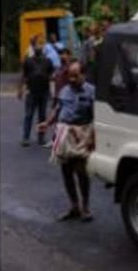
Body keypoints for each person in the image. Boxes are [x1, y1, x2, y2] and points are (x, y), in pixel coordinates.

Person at [39, 61, 96, 222]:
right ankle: (74, 206)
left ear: (83, 75)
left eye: (75, 76)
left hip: (81, 132)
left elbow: (97, 116)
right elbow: (57, 109)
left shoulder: (92, 91)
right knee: (66, 171)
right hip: (63, 132)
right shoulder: (64, 90)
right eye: (70, 76)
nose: (71, 79)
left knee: (81, 171)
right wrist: (47, 123)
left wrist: (93, 137)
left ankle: (85, 207)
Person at [18, 36, 54, 147]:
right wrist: (20, 89)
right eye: (37, 45)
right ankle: (25, 137)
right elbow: (23, 76)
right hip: (31, 92)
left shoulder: (48, 61)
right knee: (29, 115)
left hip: (44, 92)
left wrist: (52, 92)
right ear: (33, 47)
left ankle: (41, 137)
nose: (39, 47)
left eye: (41, 45)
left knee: (42, 115)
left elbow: (51, 76)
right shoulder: (28, 61)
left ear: (43, 47)